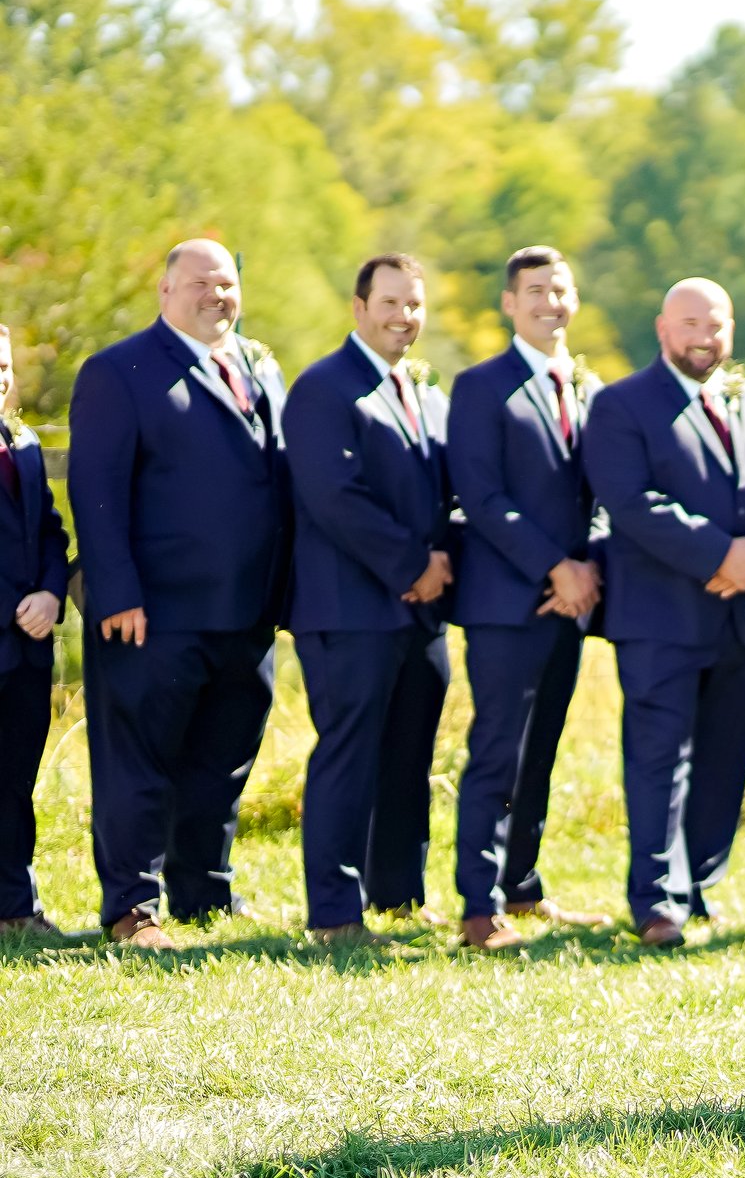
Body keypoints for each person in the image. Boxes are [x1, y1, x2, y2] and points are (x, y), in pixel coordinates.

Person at [69, 239, 291, 949]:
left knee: (219, 764)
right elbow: (95, 493)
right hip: (151, 613)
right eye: (198, 283)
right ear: (165, 291)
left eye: (226, 283)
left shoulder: (259, 366)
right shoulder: (119, 371)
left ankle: (204, 893)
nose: (215, 295)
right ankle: (133, 907)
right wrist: (116, 594)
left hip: (247, 611)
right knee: (139, 765)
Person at [582, 278, 745, 946]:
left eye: (715, 324)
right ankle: (658, 902)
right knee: (659, 758)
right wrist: (718, 555)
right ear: (662, 328)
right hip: (661, 617)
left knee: (725, 758)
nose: (703, 337)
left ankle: (702, 887)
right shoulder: (622, 405)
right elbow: (629, 500)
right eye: (690, 323)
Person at [283, 253, 456, 945]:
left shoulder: (419, 387)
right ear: (358, 307)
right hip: (348, 608)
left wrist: (437, 569)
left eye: (413, 304)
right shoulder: (325, 387)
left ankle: (397, 895)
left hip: (418, 612)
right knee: (348, 756)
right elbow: (335, 496)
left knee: (409, 754)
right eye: (390, 303)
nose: (403, 316)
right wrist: (414, 564)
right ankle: (334, 911)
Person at [444, 246, 612, 951]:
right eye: (535, 290)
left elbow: (606, 494)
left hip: (569, 603)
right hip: (506, 601)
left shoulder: (590, 384)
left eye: (561, 289)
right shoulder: (480, 386)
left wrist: (590, 565)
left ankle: (523, 884)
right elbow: (481, 495)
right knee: (496, 749)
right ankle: (478, 907)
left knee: (541, 750)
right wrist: (554, 567)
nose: (550, 301)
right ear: (509, 303)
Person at [0, 326, 72, 938]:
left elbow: (50, 531)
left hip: (26, 647)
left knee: (16, 780)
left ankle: (15, 909)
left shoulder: (20, 444)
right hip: (8, 626)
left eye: (1, 366)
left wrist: (50, 594)